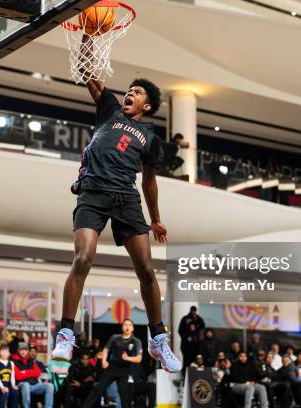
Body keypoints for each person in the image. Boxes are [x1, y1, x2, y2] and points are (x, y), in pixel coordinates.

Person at [50, 67, 179, 373]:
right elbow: (86, 70)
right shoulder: (109, 111)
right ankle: (66, 334)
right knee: (83, 258)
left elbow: (149, 182)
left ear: (146, 106)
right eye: (129, 90)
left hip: (126, 198)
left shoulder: (150, 138)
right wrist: (87, 34)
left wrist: (156, 219)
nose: (129, 94)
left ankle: (158, 338)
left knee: (147, 270)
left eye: (136, 92)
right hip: (93, 194)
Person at [81, 319, 143, 408]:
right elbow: (106, 349)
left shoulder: (136, 341)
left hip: (125, 370)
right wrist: (104, 360)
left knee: (124, 393)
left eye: (129, 325)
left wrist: (127, 358)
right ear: (122, 327)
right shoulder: (115, 337)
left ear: (133, 328)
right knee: (98, 389)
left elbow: (139, 359)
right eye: (125, 325)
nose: (127, 327)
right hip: (112, 368)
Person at [13, 342, 53, 408]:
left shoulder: (31, 360)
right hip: (21, 385)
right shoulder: (14, 361)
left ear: (28, 351)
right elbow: (18, 376)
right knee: (26, 384)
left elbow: (38, 373)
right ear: (18, 350)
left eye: (25, 350)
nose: (23, 352)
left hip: (34, 385)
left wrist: (25, 372)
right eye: (21, 350)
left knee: (50, 386)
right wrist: (32, 372)